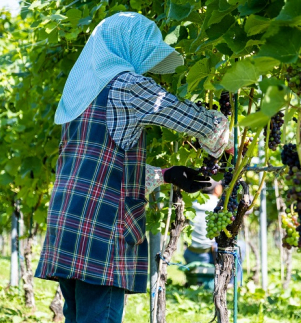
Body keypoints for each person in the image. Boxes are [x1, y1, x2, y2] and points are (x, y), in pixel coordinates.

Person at [35, 13, 233, 323]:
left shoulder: (81, 92)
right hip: (101, 232)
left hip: (68, 225)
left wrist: (167, 175)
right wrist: (221, 133)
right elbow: (185, 116)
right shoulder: (126, 85)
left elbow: (99, 165)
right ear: (127, 45)